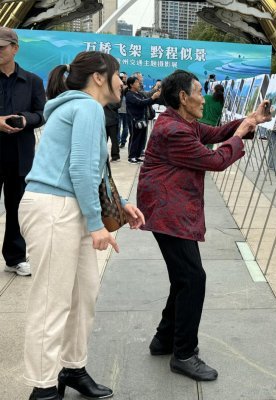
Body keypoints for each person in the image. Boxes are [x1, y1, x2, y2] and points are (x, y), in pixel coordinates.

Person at [18, 51, 145, 400]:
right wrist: (96, 225)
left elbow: (94, 172)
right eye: (119, 74)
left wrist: (119, 208)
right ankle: (43, 389)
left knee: (82, 296)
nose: (124, 81)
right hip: (54, 209)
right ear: (100, 77)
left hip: (67, 208)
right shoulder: (86, 107)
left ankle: (72, 368)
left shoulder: (84, 108)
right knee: (52, 301)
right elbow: (80, 170)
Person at [136, 70, 271, 382]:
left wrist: (249, 120)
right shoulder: (174, 130)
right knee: (193, 279)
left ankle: (164, 340)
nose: (203, 97)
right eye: (199, 91)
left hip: (171, 209)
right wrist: (240, 134)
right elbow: (216, 161)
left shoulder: (182, 122)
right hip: (168, 212)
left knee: (184, 278)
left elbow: (215, 134)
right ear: (183, 98)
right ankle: (183, 353)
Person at [0, 27, 46, 277]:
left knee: (16, 207)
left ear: (15, 48)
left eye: (2, 47)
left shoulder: (32, 81)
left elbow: (42, 114)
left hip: (20, 155)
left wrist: (25, 119)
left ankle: (15, 257)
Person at [125, 76, 160, 163]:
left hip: (142, 119)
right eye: (137, 82)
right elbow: (140, 103)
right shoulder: (130, 95)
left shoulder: (138, 93)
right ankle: (131, 156)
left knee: (141, 138)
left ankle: (137, 155)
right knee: (135, 138)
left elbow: (147, 102)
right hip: (134, 120)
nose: (139, 83)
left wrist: (155, 98)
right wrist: (153, 97)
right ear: (131, 84)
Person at [199, 83, 224, 149]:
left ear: (214, 90)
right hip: (212, 127)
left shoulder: (206, 97)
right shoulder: (221, 102)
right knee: (209, 148)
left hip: (201, 124)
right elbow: (219, 115)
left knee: (198, 144)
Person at [118, 72, 130, 148]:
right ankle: (117, 141)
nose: (124, 79)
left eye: (125, 77)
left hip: (127, 110)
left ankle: (123, 142)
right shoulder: (118, 86)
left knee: (126, 127)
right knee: (118, 127)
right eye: (122, 77)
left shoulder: (129, 87)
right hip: (118, 109)